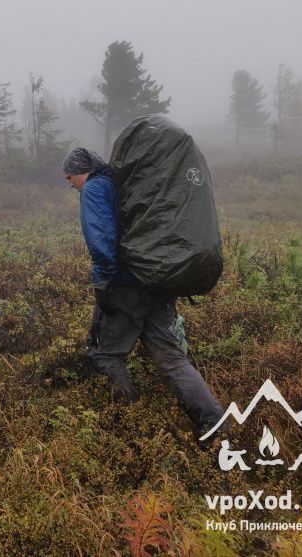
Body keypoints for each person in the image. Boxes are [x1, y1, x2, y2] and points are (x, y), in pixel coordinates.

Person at [63, 146, 223, 436]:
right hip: (156, 280)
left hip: (125, 285)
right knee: (172, 359)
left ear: (80, 172)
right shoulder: (121, 184)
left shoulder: (94, 189)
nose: (68, 180)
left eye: (69, 175)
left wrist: (102, 285)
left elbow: (102, 243)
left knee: (105, 355)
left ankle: (132, 426)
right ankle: (214, 423)